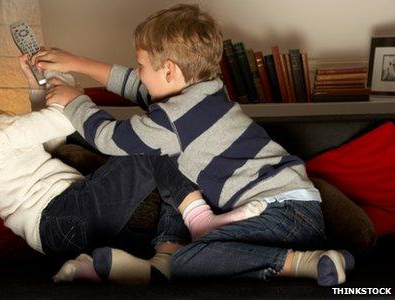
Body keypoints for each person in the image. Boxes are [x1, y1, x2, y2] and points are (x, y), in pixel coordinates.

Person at [32, 4, 355, 286]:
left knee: (189, 260)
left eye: (142, 65)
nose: (139, 74)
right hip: (293, 208)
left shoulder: (170, 122)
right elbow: (137, 85)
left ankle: (305, 263)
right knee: (176, 168)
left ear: (169, 70)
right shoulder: (208, 91)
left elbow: (109, 138)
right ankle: (164, 257)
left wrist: (74, 102)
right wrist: (76, 63)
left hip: (283, 217)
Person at [0, 55, 264, 285]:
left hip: (59, 232)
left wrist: (38, 88)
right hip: (66, 213)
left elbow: (52, 138)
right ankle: (200, 218)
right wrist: (63, 89)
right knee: (154, 146)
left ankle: (117, 262)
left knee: (158, 225)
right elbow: (63, 119)